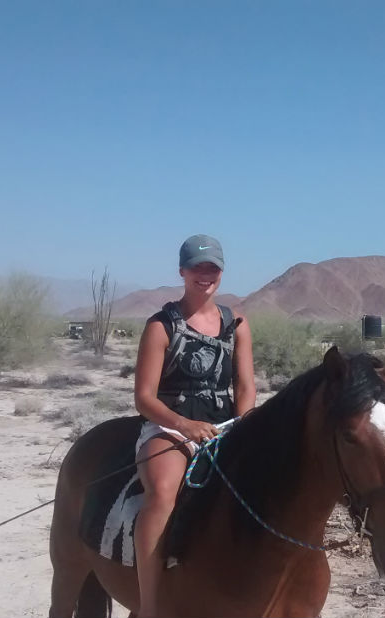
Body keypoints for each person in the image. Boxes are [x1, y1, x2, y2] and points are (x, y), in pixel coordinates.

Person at [132, 234, 255, 617]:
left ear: (221, 273)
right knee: (164, 491)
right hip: (169, 427)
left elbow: (247, 385)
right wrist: (184, 425)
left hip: (226, 426)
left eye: (213, 268)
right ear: (182, 271)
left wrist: (244, 422)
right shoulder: (161, 325)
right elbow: (144, 397)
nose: (206, 275)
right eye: (198, 268)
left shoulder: (236, 324)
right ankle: (149, 605)